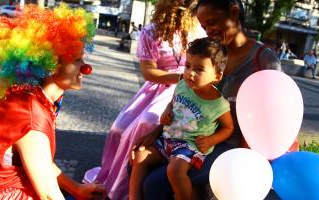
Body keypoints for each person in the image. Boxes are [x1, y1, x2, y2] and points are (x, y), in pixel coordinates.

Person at [135, 0, 298, 199]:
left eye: (212, 22)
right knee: (136, 161)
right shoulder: (209, 53)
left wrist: (244, 164)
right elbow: (184, 102)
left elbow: (271, 119)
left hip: (231, 146)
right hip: (190, 137)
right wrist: (157, 131)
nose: (208, 31)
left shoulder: (264, 60)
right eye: (203, 26)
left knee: (155, 185)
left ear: (234, 12)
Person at [0, 4, 105, 199]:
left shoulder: (29, 97)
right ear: (51, 65)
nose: (86, 68)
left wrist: (76, 188)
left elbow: (39, 160)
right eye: (77, 60)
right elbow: (49, 195)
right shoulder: (30, 115)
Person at [94, 0, 204, 199]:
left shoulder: (199, 31)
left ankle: (128, 189)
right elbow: (148, 71)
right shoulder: (152, 31)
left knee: (148, 122)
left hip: (187, 90)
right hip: (158, 88)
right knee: (119, 127)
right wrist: (179, 77)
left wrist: (190, 80)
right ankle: (115, 180)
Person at [129, 38, 233, 200]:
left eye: (199, 69)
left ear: (217, 76)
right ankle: (133, 197)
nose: (190, 73)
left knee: (175, 171)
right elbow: (174, 101)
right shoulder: (183, 85)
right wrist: (168, 110)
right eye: (188, 66)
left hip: (190, 146)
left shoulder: (219, 105)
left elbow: (228, 128)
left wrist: (212, 140)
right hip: (167, 139)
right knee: (140, 156)